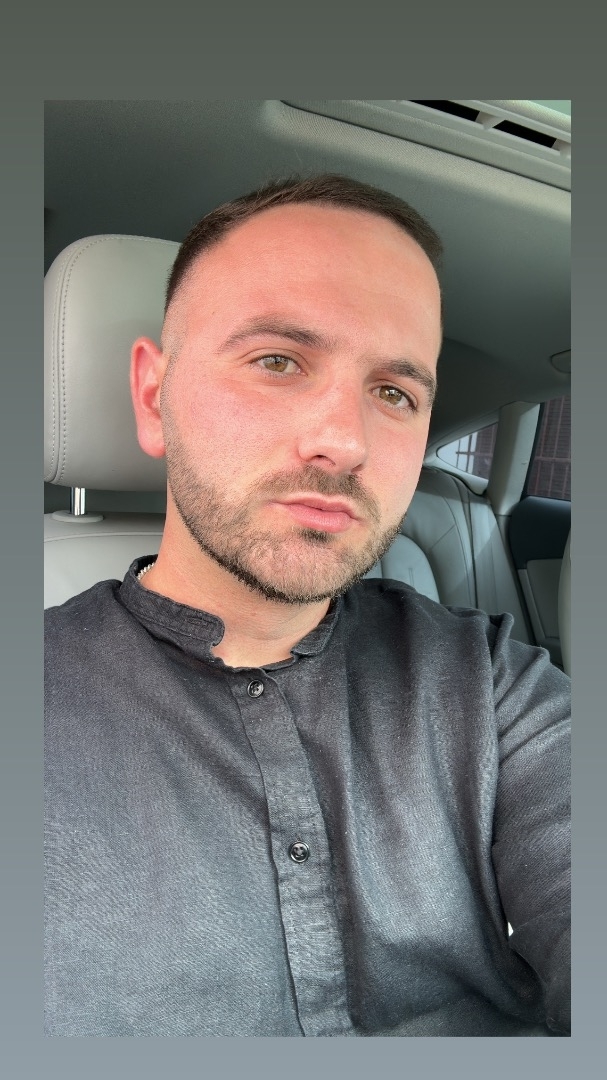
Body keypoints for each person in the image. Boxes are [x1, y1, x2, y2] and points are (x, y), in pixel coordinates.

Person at [44, 175, 570, 1037]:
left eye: (393, 392)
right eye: (278, 361)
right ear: (152, 398)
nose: (346, 441)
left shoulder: (491, 682)